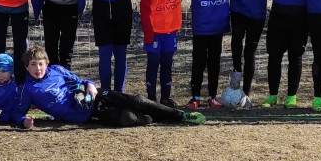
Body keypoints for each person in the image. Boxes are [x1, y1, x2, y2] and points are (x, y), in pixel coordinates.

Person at [11, 44, 206, 128]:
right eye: (33, 65)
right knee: (128, 116)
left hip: (92, 96)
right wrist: (23, 121)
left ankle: (180, 115)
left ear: (46, 63)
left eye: (41, 64)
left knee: (135, 100)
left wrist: (90, 86)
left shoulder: (57, 70)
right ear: (27, 67)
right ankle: (154, 118)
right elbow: (17, 112)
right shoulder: (27, 89)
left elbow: (80, 81)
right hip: (84, 115)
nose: (38, 68)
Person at [262, 0, 308, 109]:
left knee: (295, 57)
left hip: (300, 17)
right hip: (278, 16)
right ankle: (273, 94)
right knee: (274, 56)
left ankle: (291, 96)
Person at [182, 0, 231, 110]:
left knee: (214, 64)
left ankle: (212, 96)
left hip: (218, 29)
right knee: (198, 63)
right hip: (201, 29)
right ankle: (195, 97)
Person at [138, 0, 189, 106]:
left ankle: (166, 97)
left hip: (170, 33)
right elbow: (145, 10)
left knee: (167, 64)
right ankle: (151, 98)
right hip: (154, 33)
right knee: (153, 63)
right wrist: (148, 34)